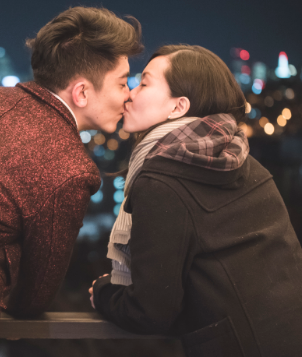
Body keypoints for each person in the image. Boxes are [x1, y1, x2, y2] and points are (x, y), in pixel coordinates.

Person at [0, 7, 143, 356]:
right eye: (122, 82)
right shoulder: (70, 169)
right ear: (82, 93)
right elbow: (34, 296)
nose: (129, 94)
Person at [90, 45, 302, 357]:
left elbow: (150, 311)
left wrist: (104, 292)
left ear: (178, 107)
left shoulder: (163, 179)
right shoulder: (239, 158)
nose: (130, 95)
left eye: (144, 83)